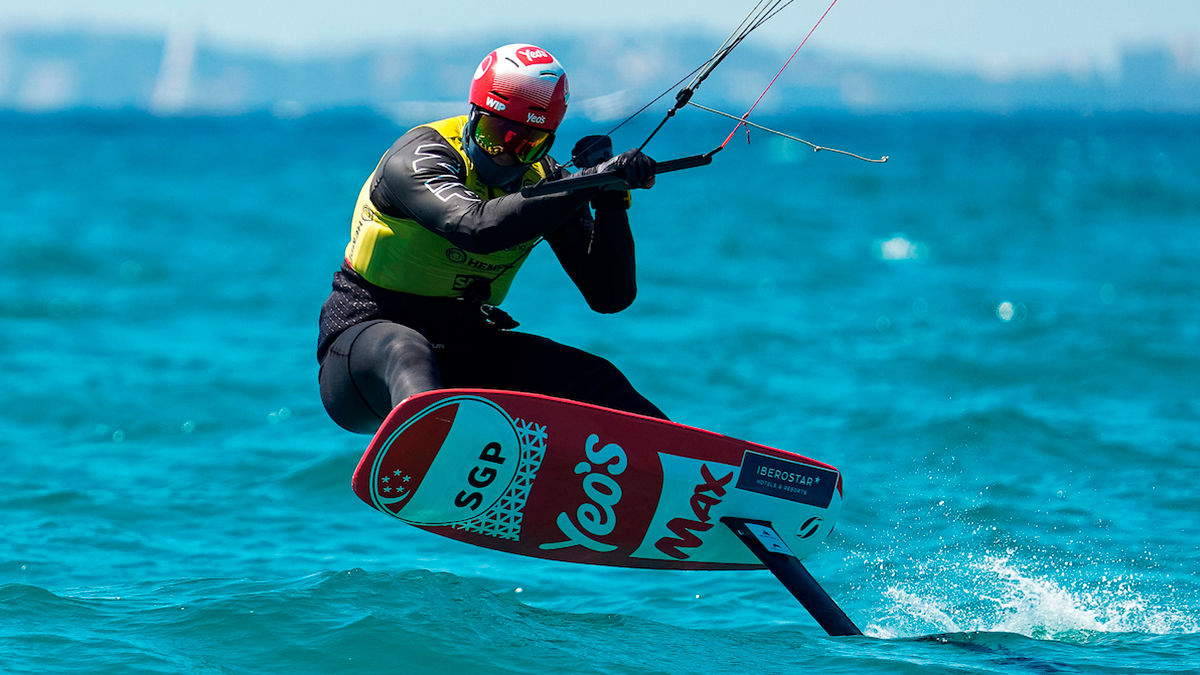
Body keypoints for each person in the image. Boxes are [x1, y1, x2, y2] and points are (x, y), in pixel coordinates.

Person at [317, 43, 666, 434]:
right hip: (366, 353)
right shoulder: (419, 157)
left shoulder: (544, 179)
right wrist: (582, 186)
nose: (506, 156)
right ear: (473, 114)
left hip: (466, 346)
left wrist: (610, 197)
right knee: (406, 350)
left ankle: (687, 474)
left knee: (594, 379)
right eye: (495, 135)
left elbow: (610, 296)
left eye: (528, 144)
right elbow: (476, 228)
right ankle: (430, 452)